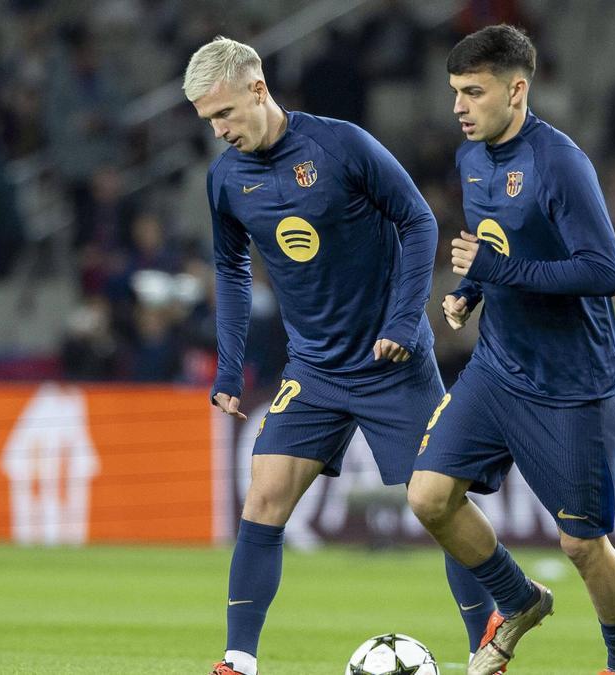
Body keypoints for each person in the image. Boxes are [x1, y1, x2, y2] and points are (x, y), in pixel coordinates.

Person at [184, 37, 494, 675]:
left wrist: (405, 321)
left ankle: (484, 652)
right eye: (207, 121)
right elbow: (232, 270)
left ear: (258, 91)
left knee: (440, 505)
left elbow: (418, 221)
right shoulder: (226, 179)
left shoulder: (339, 145)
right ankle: (238, 659)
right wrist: (227, 366)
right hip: (314, 370)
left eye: (224, 115)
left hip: (392, 365)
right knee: (264, 497)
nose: (219, 131)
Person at [406, 25, 615, 675]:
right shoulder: (471, 157)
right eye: (455, 92)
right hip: (498, 365)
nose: (459, 106)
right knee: (429, 496)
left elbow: (604, 271)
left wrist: (498, 271)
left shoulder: (559, 163)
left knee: (581, 542)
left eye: (473, 92)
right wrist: (468, 289)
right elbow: (495, 242)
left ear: (517, 90)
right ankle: (518, 600)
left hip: (572, 380)